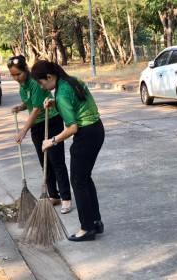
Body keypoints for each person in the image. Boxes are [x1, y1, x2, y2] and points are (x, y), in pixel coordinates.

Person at [31, 60, 105, 242]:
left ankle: (87, 228)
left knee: (78, 181)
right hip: (97, 129)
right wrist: (54, 103)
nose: (42, 87)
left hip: (86, 135)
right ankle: (95, 221)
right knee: (85, 178)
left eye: (41, 83)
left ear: (49, 77)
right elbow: (75, 103)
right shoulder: (71, 80)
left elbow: (72, 128)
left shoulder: (62, 93)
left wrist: (52, 141)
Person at [7, 55, 72, 214]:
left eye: (18, 74)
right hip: (37, 127)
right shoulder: (23, 85)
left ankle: (66, 199)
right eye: (13, 75)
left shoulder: (35, 83)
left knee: (56, 161)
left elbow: (36, 109)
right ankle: (53, 195)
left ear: (25, 70)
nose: (16, 78)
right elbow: (30, 103)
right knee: (45, 162)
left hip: (51, 122)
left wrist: (23, 131)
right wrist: (20, 107)